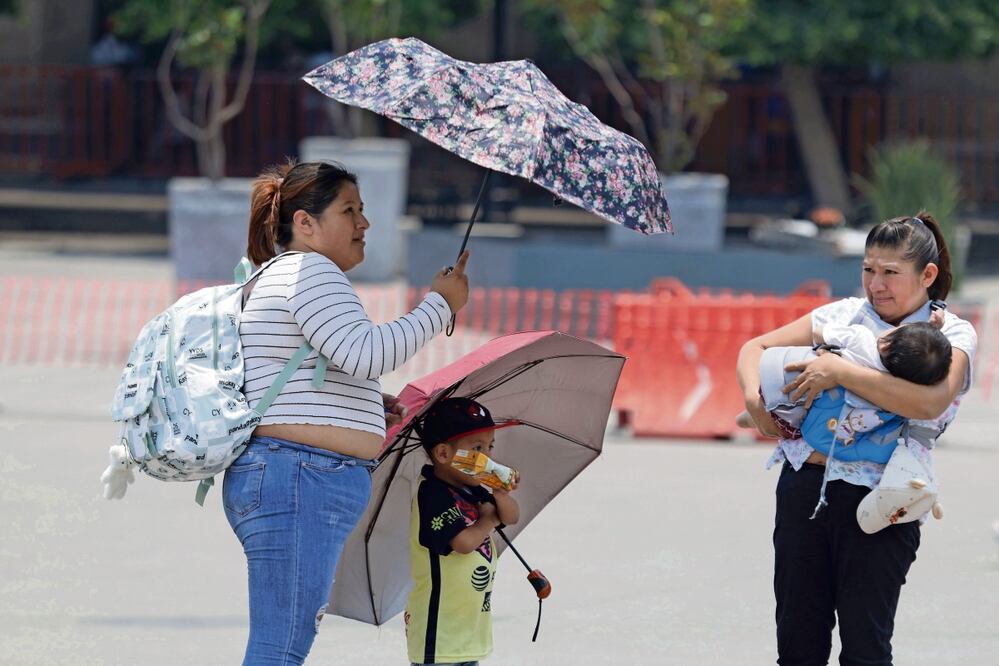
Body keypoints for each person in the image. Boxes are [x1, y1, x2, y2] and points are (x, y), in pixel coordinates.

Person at [223, 159, 471, 665]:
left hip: (291, 475)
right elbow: (367, 353)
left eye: (362, 210)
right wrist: (440, 305)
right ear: (305, 223)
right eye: (349, 210)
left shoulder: (282, 274)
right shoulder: (311, 270)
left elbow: (310, 367)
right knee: (281, 645)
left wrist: (360, 403)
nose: (365, 223)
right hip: (298, 477)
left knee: (283, 639)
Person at [736, 211, 977, 666]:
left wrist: (840, 371)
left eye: (891, 273)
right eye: (868, 269)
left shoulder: (951, 334)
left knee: (866, 647)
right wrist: (754, 401)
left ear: (927, 275)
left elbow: (929, 403)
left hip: (883, 502)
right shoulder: (841, 315)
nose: (876, 284)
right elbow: (755, 348)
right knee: (797, 644)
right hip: (803, 490)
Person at [406, 397, 521, 666]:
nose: (487, 458)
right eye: (477, 448)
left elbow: (512, 516)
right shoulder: (433, 493)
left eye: (490, 447)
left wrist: (501, 495)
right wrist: (488, 521)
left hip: (469, 631)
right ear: (443, 454)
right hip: (440, 634)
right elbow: (463, 542)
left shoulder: (474, 488)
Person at [735, 313, 953, 442]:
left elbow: (820, 332)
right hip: (793, 419)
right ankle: (749, 418)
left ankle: (748, 416)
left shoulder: (862, 338)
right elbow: (920, 352)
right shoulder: (885, 386)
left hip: (778, 374)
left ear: (886, 343)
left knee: (764, 403)